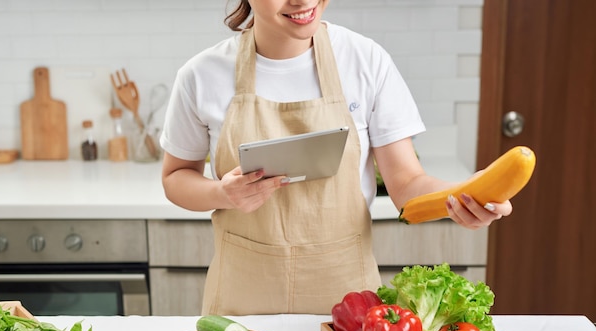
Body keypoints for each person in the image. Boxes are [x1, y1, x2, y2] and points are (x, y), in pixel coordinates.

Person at [160, 0, 512, 315]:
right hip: (241, 306)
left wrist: (467, 193)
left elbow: (407, 185)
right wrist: (222, 194)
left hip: (347, 302)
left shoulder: (366, 60)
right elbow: (175, 178)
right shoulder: (201, 75)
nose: (303, 1)